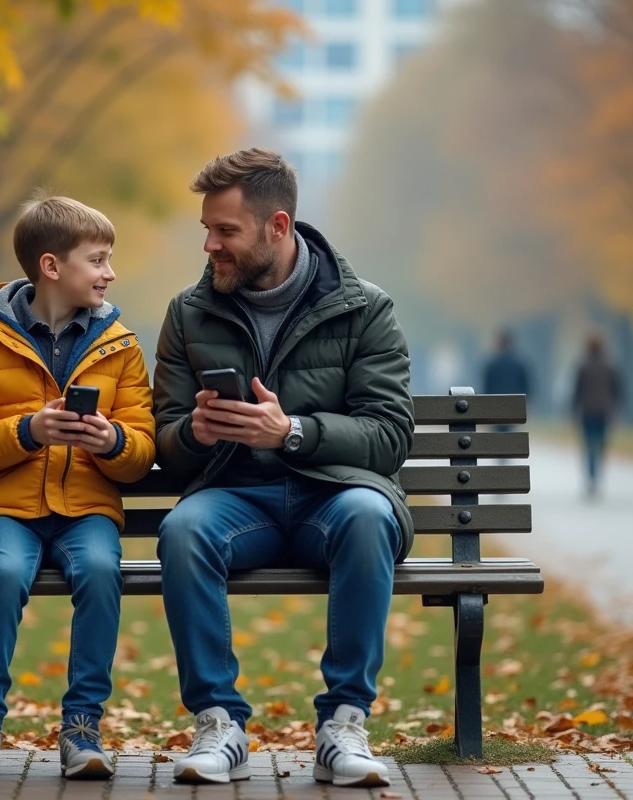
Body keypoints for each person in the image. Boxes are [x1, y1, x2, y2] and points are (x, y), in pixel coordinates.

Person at [152, 149, 415, 788]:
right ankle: (219, 724)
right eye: (207, 230)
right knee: (183, 529)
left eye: (226, 231)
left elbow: (389, 435)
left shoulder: (365, 308)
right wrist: (194, 432)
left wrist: (292, 431)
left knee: (369, 515)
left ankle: (343, 725)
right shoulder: (188, 312)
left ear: (277, 226)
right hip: (239, 500)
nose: (210, 245)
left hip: (336, 495)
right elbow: (165, 441)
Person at [0, 194, 156, 780]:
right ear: (52, 266)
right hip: (5, 508)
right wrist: (27, 431)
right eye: (97, 260)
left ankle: (82, 728)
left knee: (102, 571)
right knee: (5, 573)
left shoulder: (121, 347)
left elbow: (141, 449)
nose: (110, 273)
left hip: (87, 507)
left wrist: (112, 441)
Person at [572, 334, 621, 498]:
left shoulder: (583, 366)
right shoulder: (610, 366)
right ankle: (596, 474)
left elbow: (577, 391)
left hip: (587, 411)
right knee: (600, 445)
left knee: (589, 446)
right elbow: (617, 391)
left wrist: (573, 411)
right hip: (603, 411)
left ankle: (591, 476)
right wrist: (616, 411)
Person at [482, 330, 532, 432]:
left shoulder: (492, 365)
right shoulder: (519, 365)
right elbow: (526, 388)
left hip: (496, 409)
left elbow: (487, 389)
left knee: (498, 433)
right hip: (514, 408)